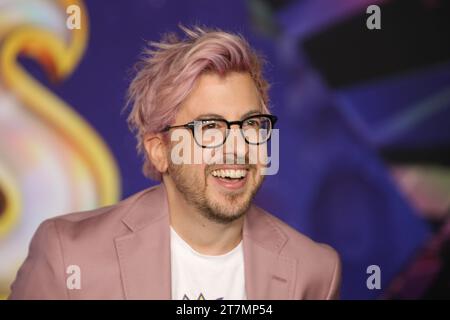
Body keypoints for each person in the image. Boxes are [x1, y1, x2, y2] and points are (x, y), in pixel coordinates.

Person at [9, 26, 341, 300]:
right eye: (210, 129)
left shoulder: (314, 271)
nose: (236, 147)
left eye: (252, 125)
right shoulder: (69, 255)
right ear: (159, 150)